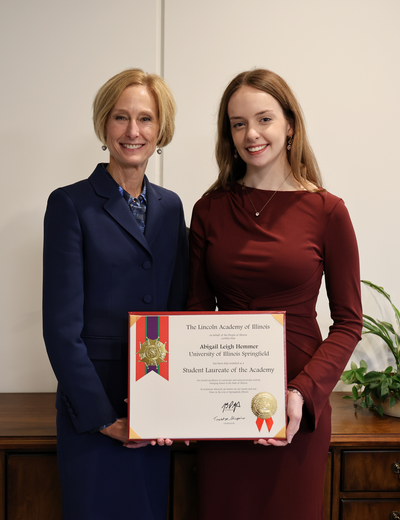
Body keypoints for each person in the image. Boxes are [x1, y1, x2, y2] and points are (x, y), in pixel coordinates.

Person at [187, 69, 362, 520]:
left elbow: (349, 322)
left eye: (263, 119)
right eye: (238, 123)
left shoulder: (328, 211)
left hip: (295, 404)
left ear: (290, 125)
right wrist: (179, 399)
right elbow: (194, 312)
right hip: (220, 399)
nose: (251, 134)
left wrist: (302, 393)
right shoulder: (209, 209)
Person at [43, 68, 188, 520]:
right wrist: (105, 420)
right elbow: (61, 330)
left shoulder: (172, 206)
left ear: (160, 130)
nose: (133, 131)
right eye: (120, 117)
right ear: (104, 125)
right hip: (92, 411)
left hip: (156, 404)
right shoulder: (70, 203)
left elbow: (178, 313)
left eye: (145, 119)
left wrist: (176, 405)